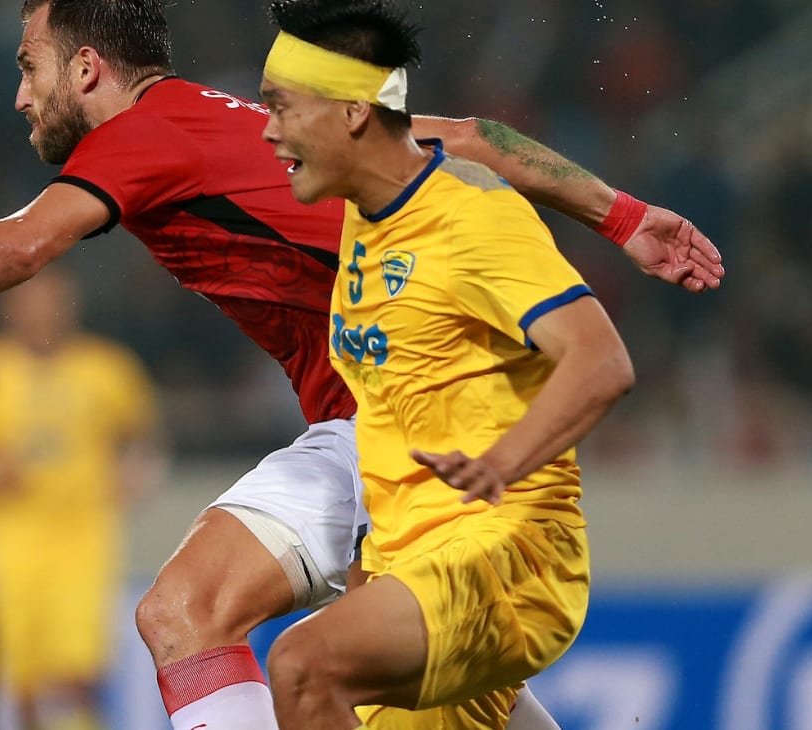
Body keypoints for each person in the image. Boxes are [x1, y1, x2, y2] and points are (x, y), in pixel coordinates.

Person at [0, 2, 722, 728]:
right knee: (422, 695)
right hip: (381, 431)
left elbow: (17, 245)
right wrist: (624, 215)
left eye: (28, 67)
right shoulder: (242, 125)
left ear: (87, 68)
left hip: (406, 431)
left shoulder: (141, 137)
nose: (19, 96)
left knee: (193, 611)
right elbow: (467, 137)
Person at [255, 1, 636, 727]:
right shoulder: (366, 205)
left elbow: (600, 360)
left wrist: (502, 463)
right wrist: (366, 573)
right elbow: (461, 131)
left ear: (353, 113)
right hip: (409, 571)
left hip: (507, 555)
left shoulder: (471, 217)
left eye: (281, 106)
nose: (267, 129)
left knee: (301, 665)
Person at [0, 268, 163, 730]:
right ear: (11, 309)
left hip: (82, 536)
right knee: (21, 677)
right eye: (30, 301)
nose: (41, 312)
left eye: (51, 300)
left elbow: (143, 436)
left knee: (76, 669)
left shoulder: (107, 368)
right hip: (9, 536)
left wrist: (135, 473)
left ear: (70, 306)